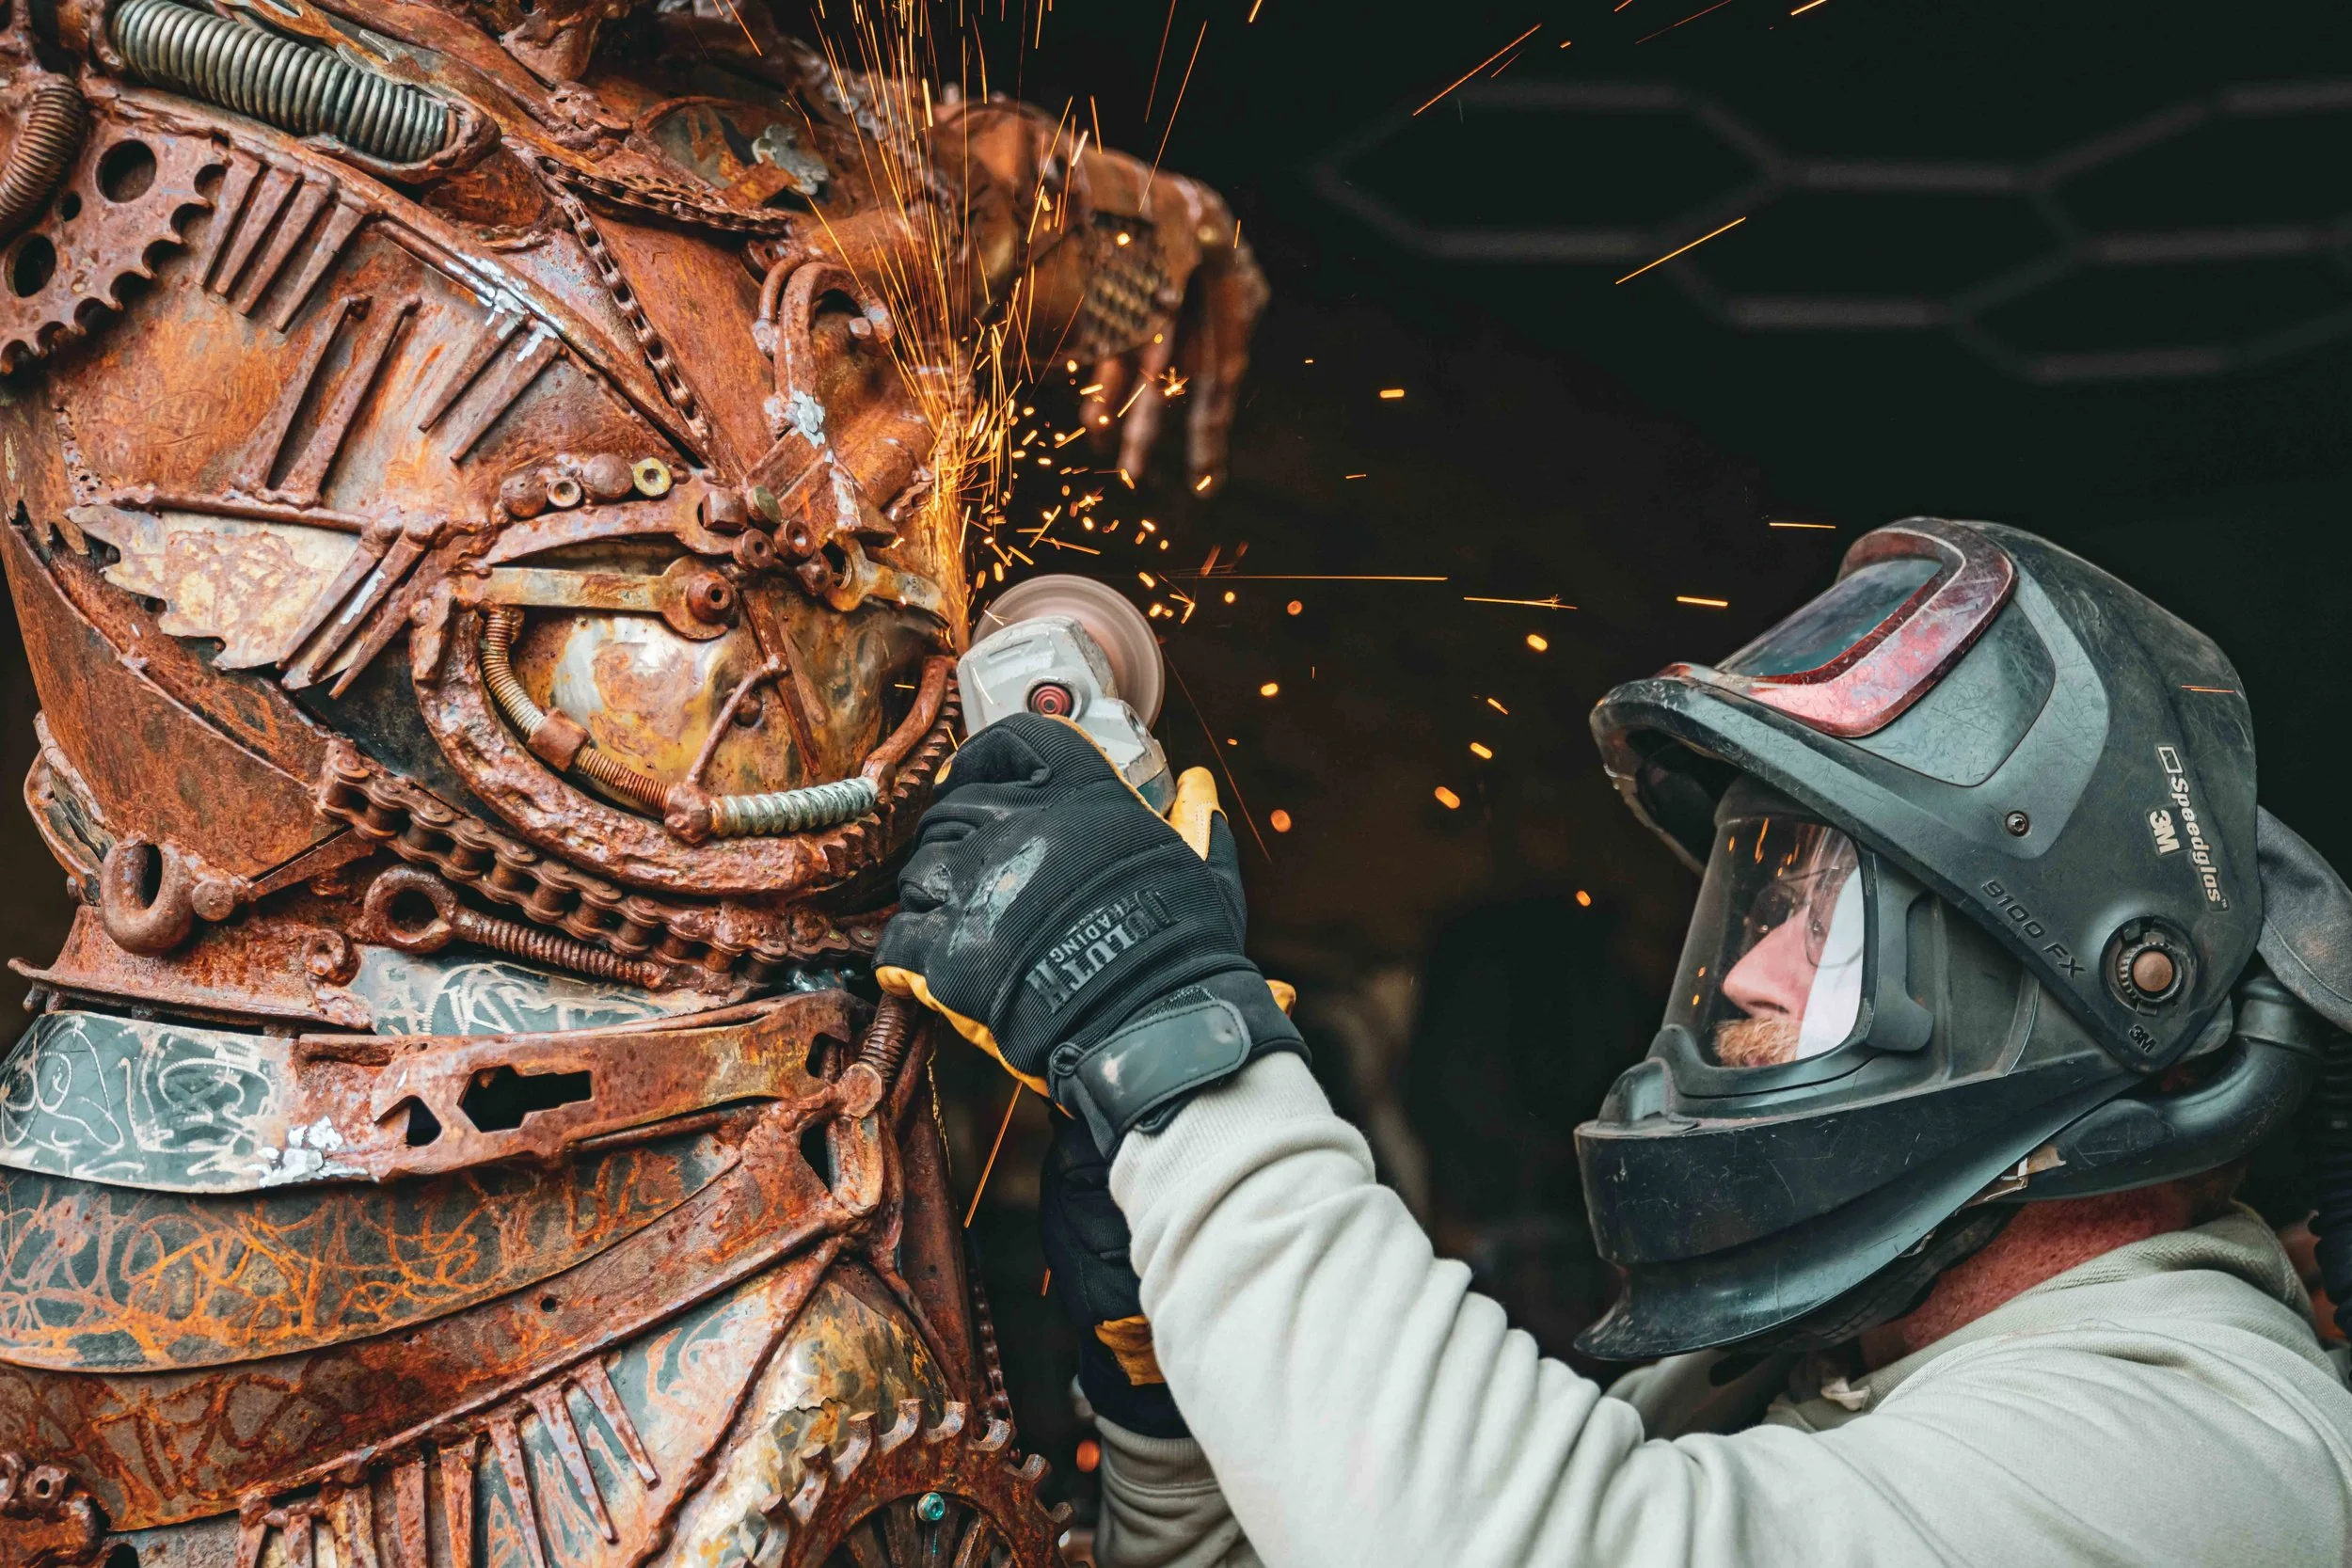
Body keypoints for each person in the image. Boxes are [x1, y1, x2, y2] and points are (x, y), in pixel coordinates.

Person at [879, 517, 2352, 1567]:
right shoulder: (1800, 1373)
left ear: (2068, 989)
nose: (1752, 963)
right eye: (1763, 887)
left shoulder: (2218, 1459)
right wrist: (1173, 1399)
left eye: (1828, 911)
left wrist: (1176, 1052)